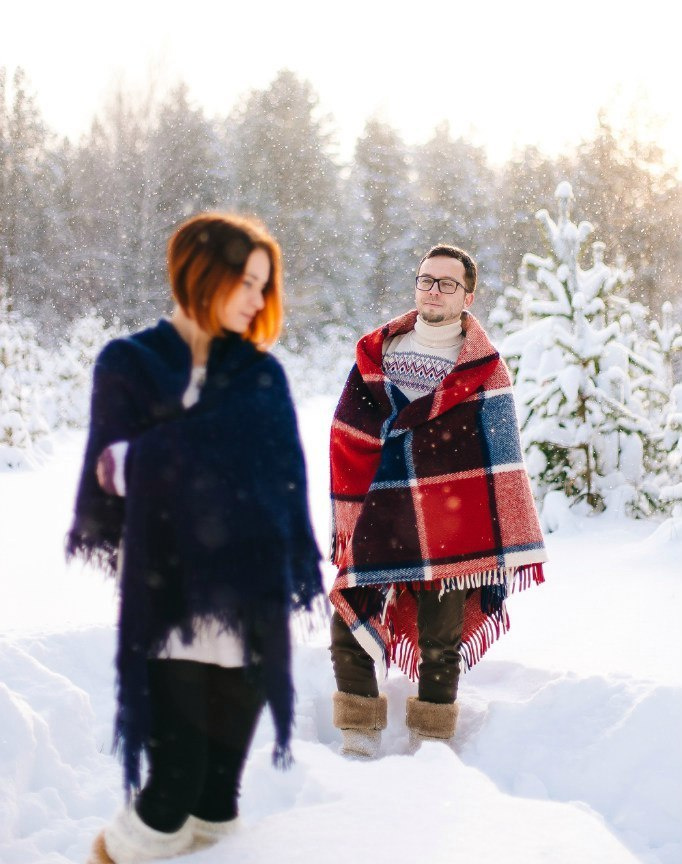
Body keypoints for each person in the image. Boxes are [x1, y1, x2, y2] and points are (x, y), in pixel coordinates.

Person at [67, 212, 324, 864]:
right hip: (170, 598)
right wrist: (194, 461)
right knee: (171, 790)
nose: (256, 299)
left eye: (264, 286)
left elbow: (278, 480)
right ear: (199, 272)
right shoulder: (130, 363)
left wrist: (162, 464)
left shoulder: (262, 376)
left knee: (217, 800)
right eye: (245, 281)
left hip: (250, 607)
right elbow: (110, 471)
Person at [328, 244, 547, 756]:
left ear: (467, 295)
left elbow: (499, 462)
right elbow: (348, 433)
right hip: (379, 516)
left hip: (450, 526)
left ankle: (431, 745)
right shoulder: (376, 355)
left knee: (440, 639)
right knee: (348, 620)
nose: (433, 289)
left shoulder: (485, 370)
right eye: (426, 279)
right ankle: (357, 740)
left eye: (447, 283)